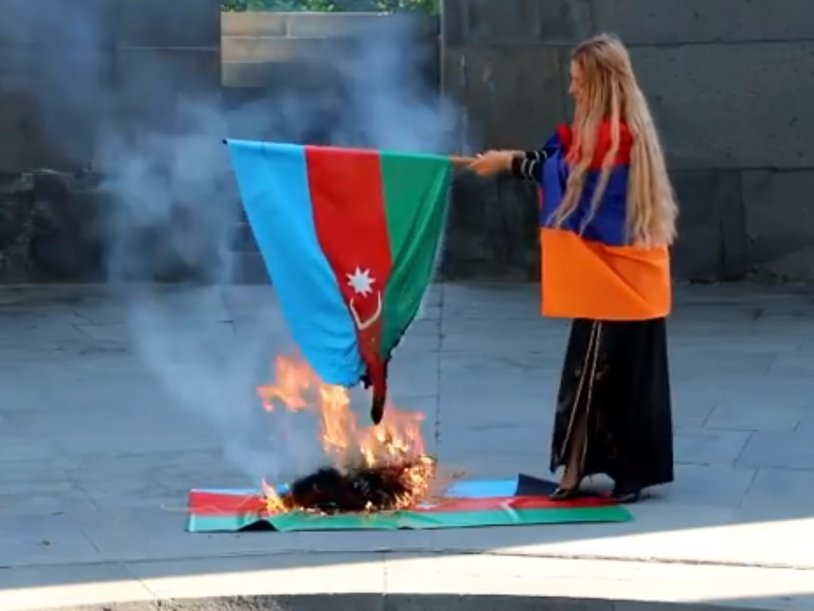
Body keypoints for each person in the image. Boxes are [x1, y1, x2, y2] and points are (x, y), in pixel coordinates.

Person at [469, 33, 678, 504]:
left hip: (616, 278)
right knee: (602, 373)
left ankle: (605, 469)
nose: (572, 89)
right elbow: (561, 161)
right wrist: (511, 160)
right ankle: (594, 467)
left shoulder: (617, 138)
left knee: (604, 375)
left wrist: (513, 164)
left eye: (578, 80)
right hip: (621, 277)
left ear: (601, 83)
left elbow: (574, 184)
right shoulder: (613, 133)